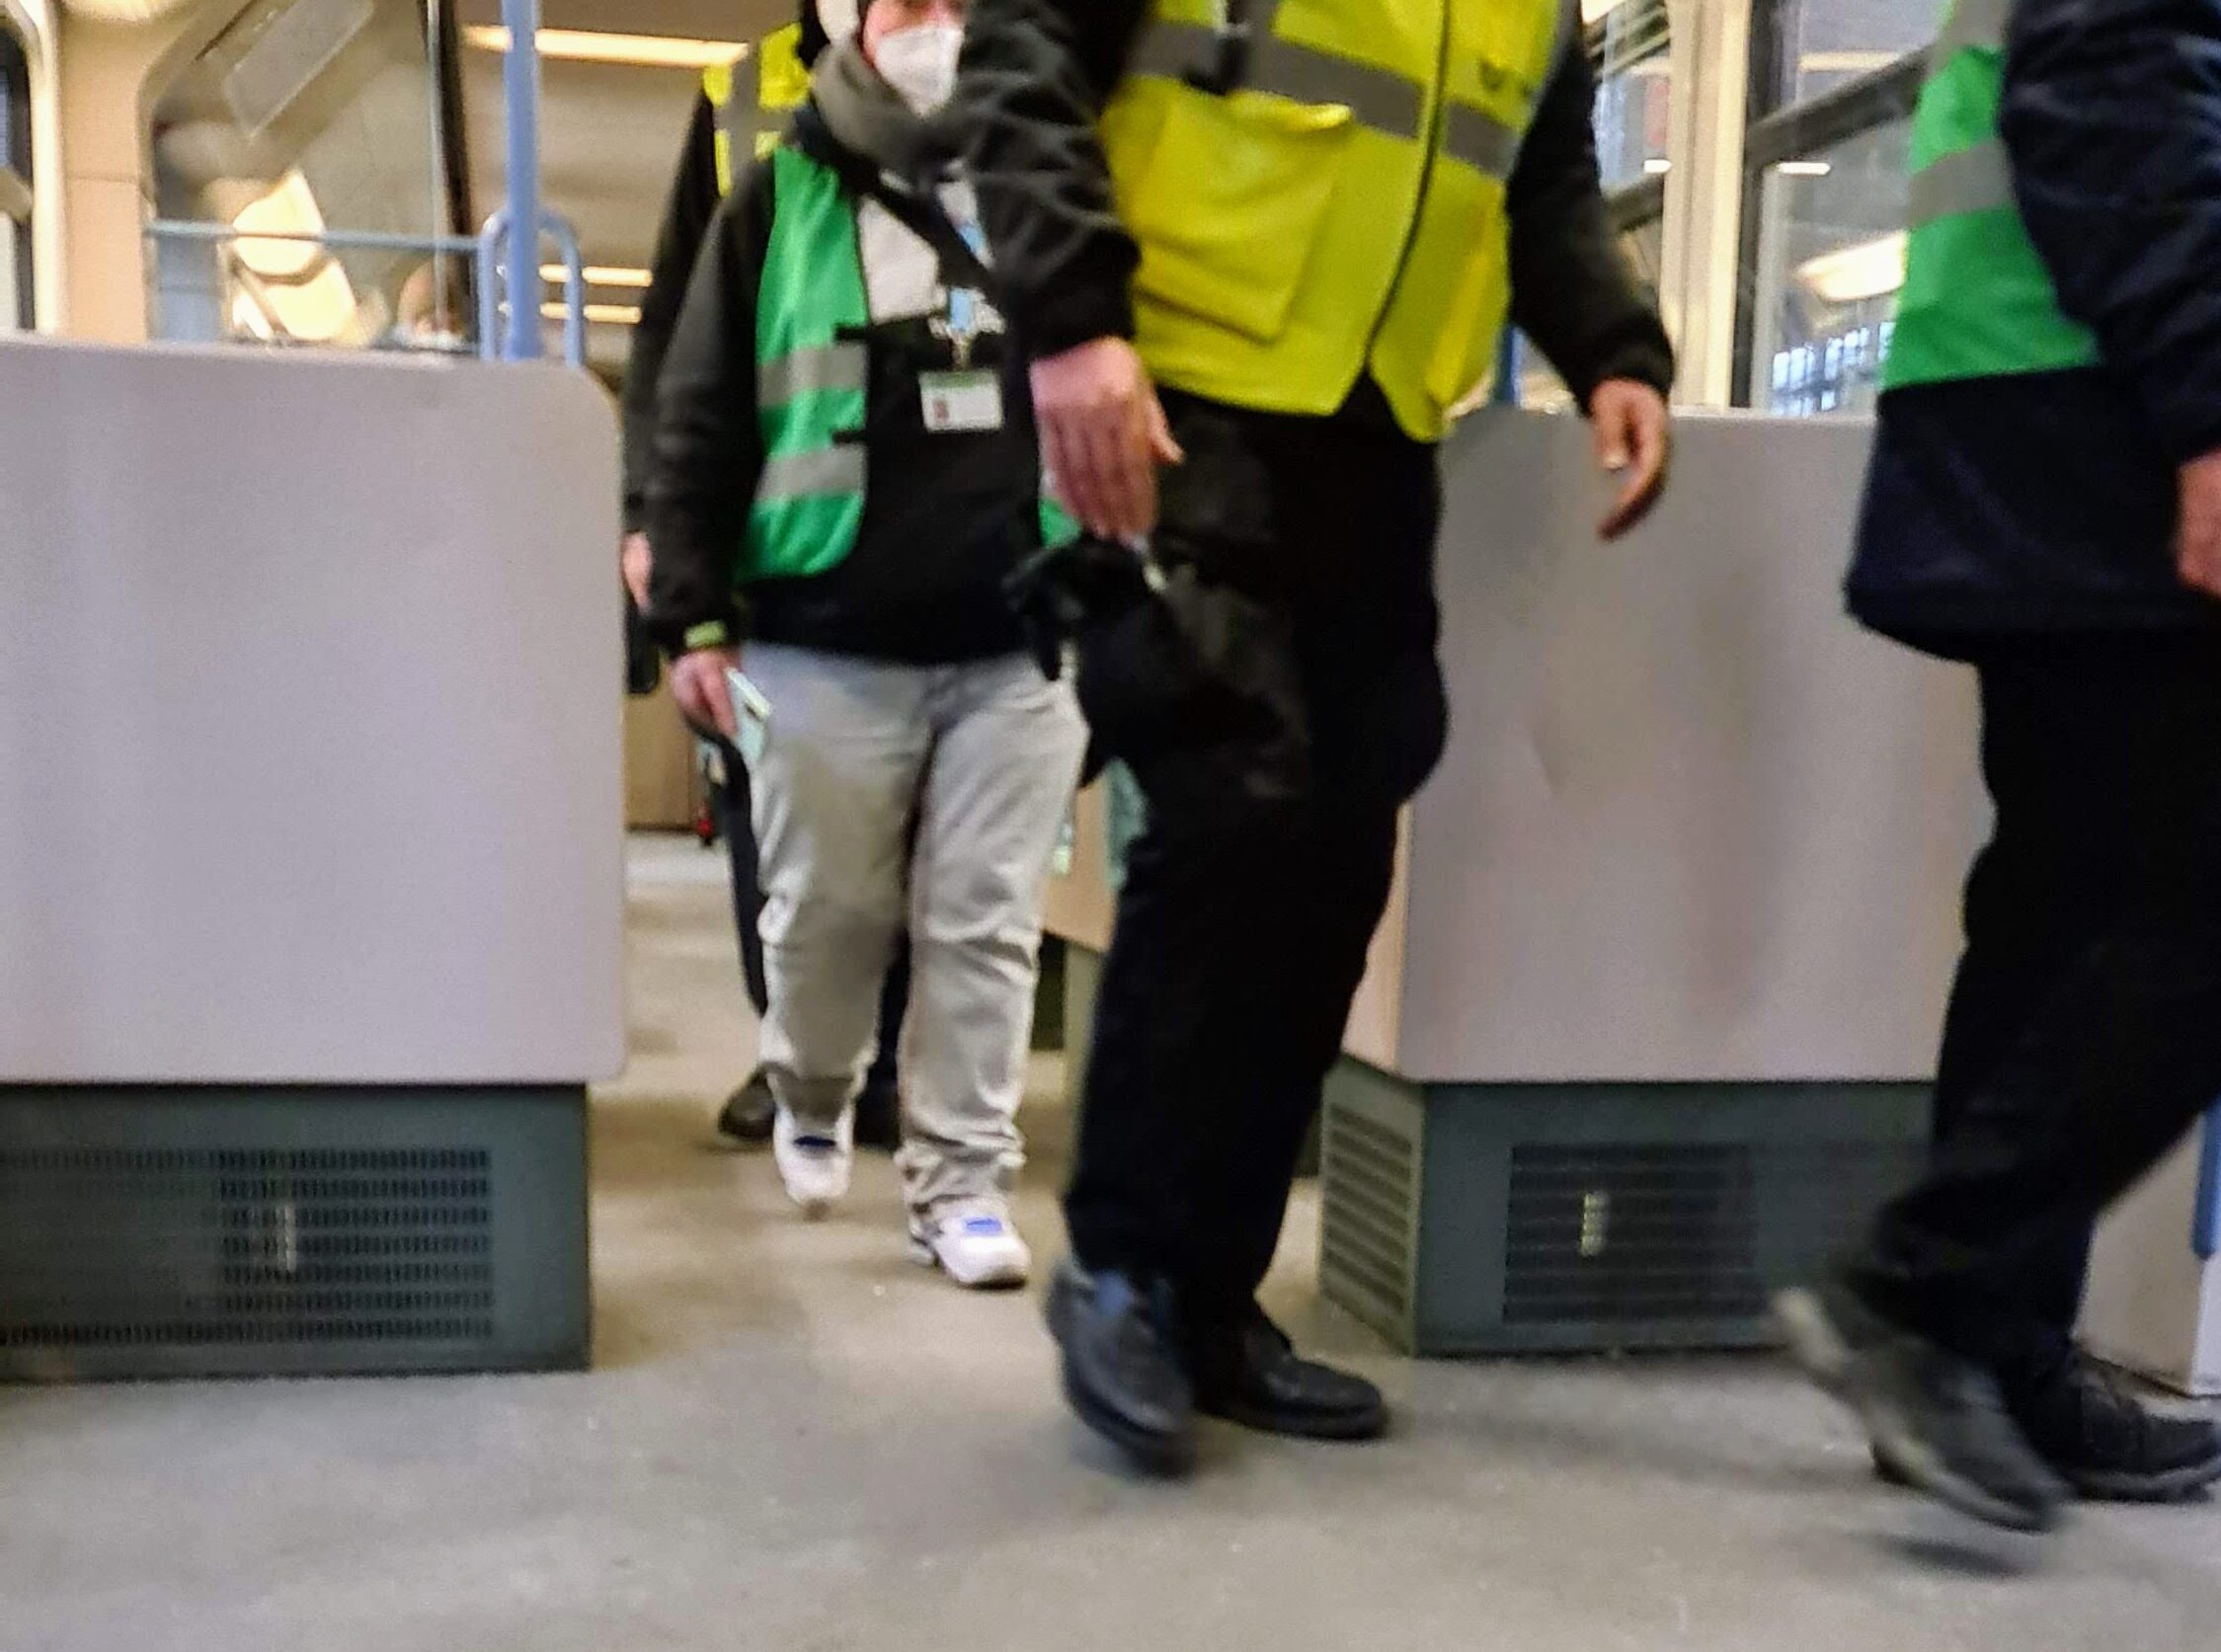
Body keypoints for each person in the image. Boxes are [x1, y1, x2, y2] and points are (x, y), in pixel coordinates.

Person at [952, 0, 1673, 1468]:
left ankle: (1209, 1301)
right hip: (1174, 391)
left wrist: (1614, 344)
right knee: (1230, 799)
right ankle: (1125, 1271)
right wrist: (1071, 321)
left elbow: (1538, 182)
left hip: (1374, 429)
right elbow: (1021, 60)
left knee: (1341, 839)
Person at [1776, 0, 2221, 1534]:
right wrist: (2210, 406)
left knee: (2064, 905)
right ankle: (1919, 1293)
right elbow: (2110, 87)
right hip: (2094, 410)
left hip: (2044, 403)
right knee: (2176, 907)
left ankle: (1981, 1353)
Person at [648, 0, 1088, 1289]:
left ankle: (961, 1182)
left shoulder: (1052, 185)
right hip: (822, 635)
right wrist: (690, 614)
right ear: (849, 17)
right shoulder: (777, 195)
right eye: (908, 1)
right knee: (828, 914)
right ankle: (811, 1083)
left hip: (1016, 637)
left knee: (984, 923)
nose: (936, 21)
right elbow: (699, 408)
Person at [619, 3, 905, 1153]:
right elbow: (672, 330)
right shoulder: (738, 95)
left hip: (937, 529)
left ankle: (891, 1057)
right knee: (773, 806)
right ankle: (793, 1046)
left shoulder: (994, 71)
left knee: (921, 819)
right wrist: (649, 515)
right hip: (774, 532)